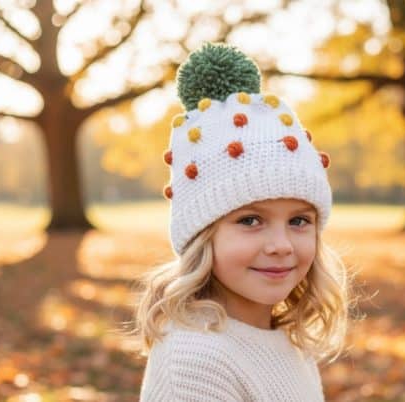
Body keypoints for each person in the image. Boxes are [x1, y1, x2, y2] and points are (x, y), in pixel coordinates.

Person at [130, 42, 350, 402]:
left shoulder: (285, 339)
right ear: (203, 235)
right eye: (250, 220)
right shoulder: (196, 361)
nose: (281, 244)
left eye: (299, 221)